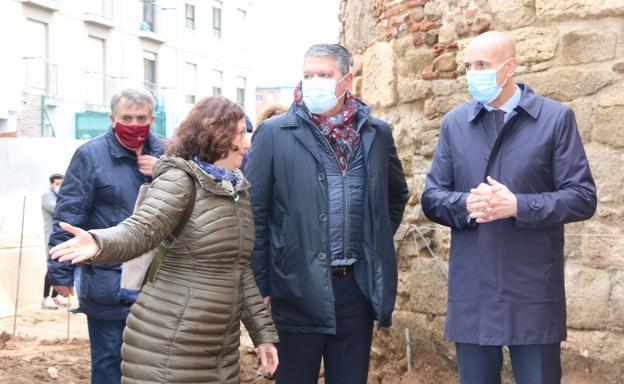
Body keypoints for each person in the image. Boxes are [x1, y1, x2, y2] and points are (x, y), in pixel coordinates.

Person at [50, 96, 279, 383]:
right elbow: (141, 229)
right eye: (239, 135)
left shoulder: (236, 191)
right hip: (169, 346)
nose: (247, 145)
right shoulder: (180, 181)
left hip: (219, 351)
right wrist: (98, 242)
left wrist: (263, 336)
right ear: (215, 137)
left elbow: (239, 270)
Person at [421, 31, 597, 384]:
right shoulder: (455, 123)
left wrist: (518, 205)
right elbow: (432, 197)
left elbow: (582, 196)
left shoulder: (555, 118)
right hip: (473, 288)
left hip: (532, 287)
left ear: (510, 67)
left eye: (482, 65)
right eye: (468, 66)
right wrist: (465, 203)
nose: (473, 74)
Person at [246, 43, 408, 384]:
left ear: (346, 80)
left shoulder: (376, 134)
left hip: (355, 290)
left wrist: (370, 244)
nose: (314, 82)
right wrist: (262, 285)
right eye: (308, 75)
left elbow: (394, 197)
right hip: (294, 290)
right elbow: (254, 215)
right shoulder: (275, 134)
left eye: (324, 75)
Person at [47, 88, 164, 384]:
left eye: (141, 117)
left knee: (155, 363)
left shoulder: (167, 152)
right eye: (127, 117)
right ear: (112, 119)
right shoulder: (90, 155)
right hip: (107, 281)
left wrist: (164, 170)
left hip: (157, 283)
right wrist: (60, 273)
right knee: (109, 358)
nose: (134, 124)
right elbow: (69, 216)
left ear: (152, 118)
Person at [41, 173, 63, 310]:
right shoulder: (47, 196)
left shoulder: (58, 196)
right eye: (58, 184)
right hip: (51, 236)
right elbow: (58, 210)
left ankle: (55, 296)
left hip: (61, 236)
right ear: (52, 183)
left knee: (59, 266)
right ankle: (45, 297)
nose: (60, 187)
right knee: (52, 266)